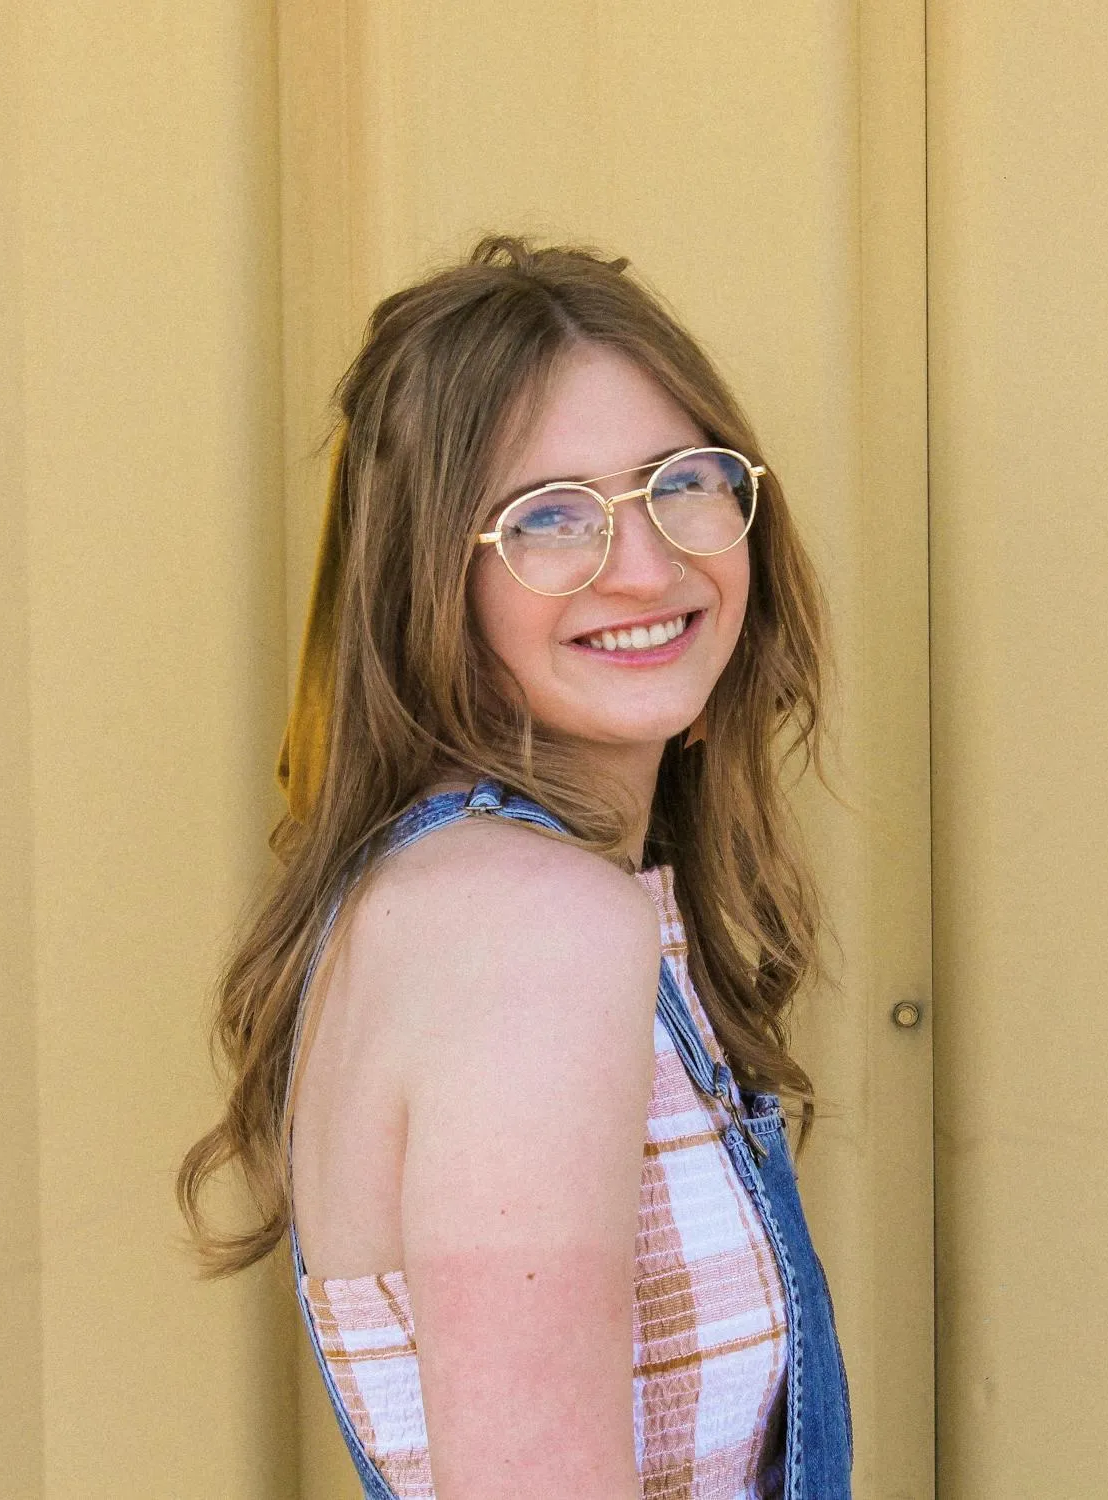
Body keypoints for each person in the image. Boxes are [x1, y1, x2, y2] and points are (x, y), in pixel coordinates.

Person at [178, 235, 853, 1499]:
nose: (645, 565)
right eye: (548, 516)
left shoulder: (450, 897)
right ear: (429, 580)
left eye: (682, 484)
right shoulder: (534, 928)